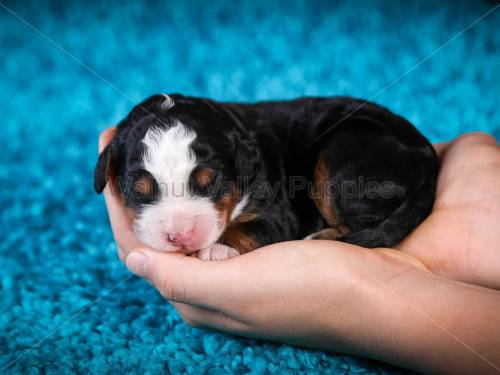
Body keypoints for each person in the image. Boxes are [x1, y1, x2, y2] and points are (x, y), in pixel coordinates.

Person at [98, 128, 500, 374]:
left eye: (206, 185)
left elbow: (276, 220)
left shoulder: (243, 156)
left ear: (238, 163)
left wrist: (235, 239)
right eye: (142, 193)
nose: (178, 228)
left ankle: (347, 225)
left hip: (375, 155)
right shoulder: (221, 150)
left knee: (342, 174)